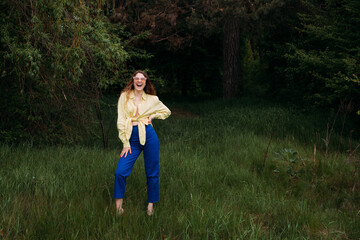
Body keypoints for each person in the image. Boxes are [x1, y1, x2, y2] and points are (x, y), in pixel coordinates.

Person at [114, 70, 171, 216]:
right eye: (137, 78)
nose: (139, 81)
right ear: (133, 80)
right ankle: (118, 209)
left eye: (142, 79)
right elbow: (120, 120)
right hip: (131, 138)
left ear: (146, 82)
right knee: (120, 172)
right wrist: (125, 143)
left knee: (152, 172)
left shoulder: (152, 99)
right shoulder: (124, 97)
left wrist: (152, 116)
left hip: (149, 136)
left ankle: (150, 206)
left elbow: (166, 111)